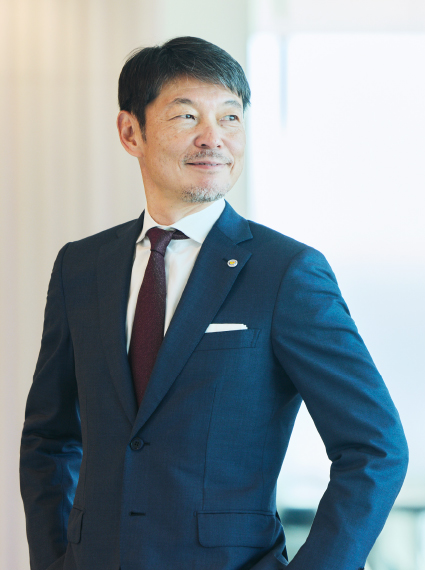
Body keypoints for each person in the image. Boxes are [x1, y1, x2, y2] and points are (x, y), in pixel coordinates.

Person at [20, 36, 408, 570]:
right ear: (130, 132)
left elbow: (375, 448)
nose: (214, 138)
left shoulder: (286, 272)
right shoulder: (80, 267)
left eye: (230, 117)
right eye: (186, 116)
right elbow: (49, 439)